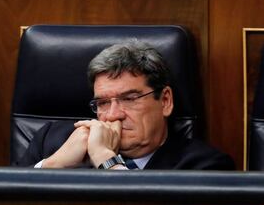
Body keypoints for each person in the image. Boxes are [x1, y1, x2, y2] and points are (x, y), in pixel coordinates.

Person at [19, 40, 235, 170]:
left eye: (129, 99)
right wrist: (52, 166)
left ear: (166, 101)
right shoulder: (50, 141)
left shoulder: (204, 166)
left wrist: (106, 158)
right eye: (103, 102)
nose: (113, 116)